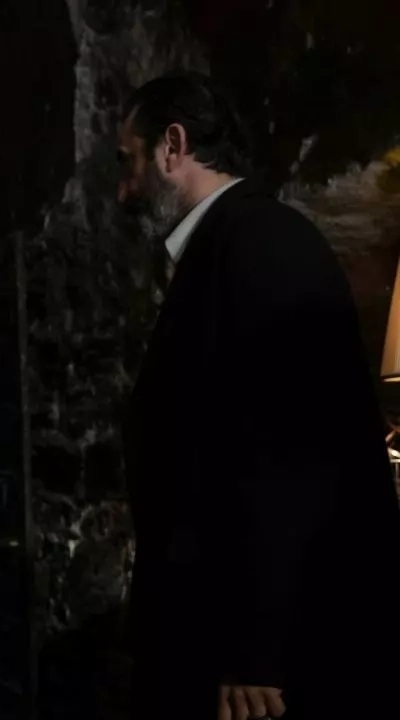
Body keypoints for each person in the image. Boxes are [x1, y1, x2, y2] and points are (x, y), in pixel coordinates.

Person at [117, 72, 400, 719]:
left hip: (260, 663)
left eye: (128, 162)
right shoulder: (234, 243)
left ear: (172, 146)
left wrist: (255, 649)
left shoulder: (261, 243)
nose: (123, 189)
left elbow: (288, 454)